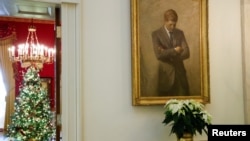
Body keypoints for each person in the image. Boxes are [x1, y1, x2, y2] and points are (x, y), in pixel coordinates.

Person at [151, 9, 190, 96]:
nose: (173, 27)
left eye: (174, 24)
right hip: (166, 78)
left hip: (180, 77)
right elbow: (158, 55)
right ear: (165, 21)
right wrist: (175, 50)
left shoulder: (180, 33)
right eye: (170, 24)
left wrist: (166, 53)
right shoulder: (156, 34)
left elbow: (187, 53)